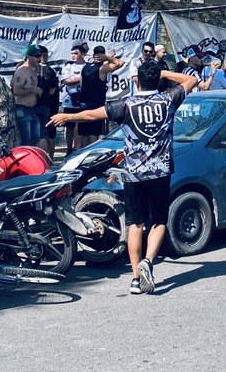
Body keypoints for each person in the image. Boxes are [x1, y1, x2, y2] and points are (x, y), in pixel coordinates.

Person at [49, 55, 198, 294]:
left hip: (134, 173)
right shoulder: (168, 100)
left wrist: (68, 117)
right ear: (157, 81)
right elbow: (191, 79)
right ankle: (148, 262)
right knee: (159, 221)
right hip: (160, 171)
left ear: (137, 81)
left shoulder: (126, 105)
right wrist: (163, 74)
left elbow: (91, 114)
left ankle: (136, 278)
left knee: (135, 224)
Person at [11, 44, 44, 145]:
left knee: (35, 140)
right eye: (37, 56)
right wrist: (32, 90)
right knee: (26, 141)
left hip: (31, 109)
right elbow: (16, 91)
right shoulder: (22, 71)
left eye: (40, 55)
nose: (39, 58)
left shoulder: (33, 70)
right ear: (29, 57)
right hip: (22, 109)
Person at [78, 46, 110, 147]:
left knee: (84, 133)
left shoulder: (85, 67)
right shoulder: (102, 68)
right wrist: (109, 57)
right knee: (93, 134)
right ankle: (90, 156)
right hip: (96, 105)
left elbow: (81, 84)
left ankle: (81, 154)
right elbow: (118, 63)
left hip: (84, 104)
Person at [60, 42, 88, 155]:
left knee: (81, 126)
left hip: (84, 99)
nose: (73, 55)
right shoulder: (68, 65)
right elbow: (66, 80)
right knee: (69, 126)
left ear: (83, 54)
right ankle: (69, 148)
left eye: (76, 53)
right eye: (72, 53)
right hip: (69, 100)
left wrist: (77, 79)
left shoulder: (87, 66)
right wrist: (81, 79)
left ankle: (79, 148)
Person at [35, 46, 61, 158]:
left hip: (48, 105)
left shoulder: (51, 71)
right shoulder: (33, 69)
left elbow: (52, 90)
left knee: (49, 134)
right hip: (35, 105)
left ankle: (50, 157)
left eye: (45, 55)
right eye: (41, 55)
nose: (43, 58)